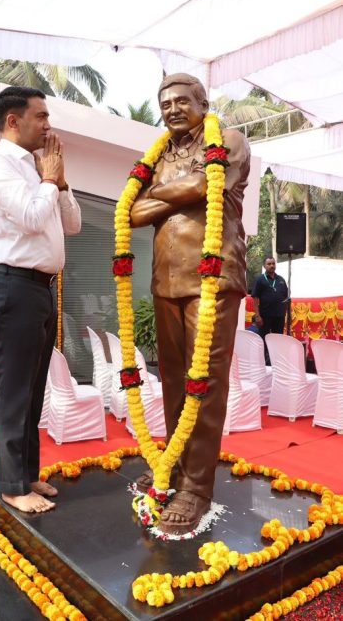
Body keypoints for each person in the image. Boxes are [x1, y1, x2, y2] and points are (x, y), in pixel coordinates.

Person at [130, 73, 250, 534]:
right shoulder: (159, 155)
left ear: (203, 103)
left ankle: (197, 487)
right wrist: (178, 189)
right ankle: (175, 467)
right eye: (165, 104)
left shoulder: (229, 140)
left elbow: (203, 187)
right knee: (173, 381)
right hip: (166, 280)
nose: (173, 109)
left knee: (205, 383)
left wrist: (159, 193)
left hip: (212, 276)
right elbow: (133, 212)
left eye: (182, 101)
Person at [0, 86, 81, 513]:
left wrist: (60, 180)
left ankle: (27, 474)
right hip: (12, 287)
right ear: (13, 121)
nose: (48, 125)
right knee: (15, 391)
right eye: (41, 116)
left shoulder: (41, 167)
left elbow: (71, 224)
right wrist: (49, 181)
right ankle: (11, 486)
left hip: (40, 289)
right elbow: (33, 218)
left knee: (35, 391)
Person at [252, 257, 288, 361]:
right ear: (264, 266)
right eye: (269, 264)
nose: (272, 265)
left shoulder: (281, 280)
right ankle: (263, 362)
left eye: (273, 263)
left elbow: (286, 297)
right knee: (264, 339)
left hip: (279, 316)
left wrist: (284, 312)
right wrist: (257, 316)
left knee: (277, 340)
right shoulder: (260, 280)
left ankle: (276, 361)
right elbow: (255, 298)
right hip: (265, 316)